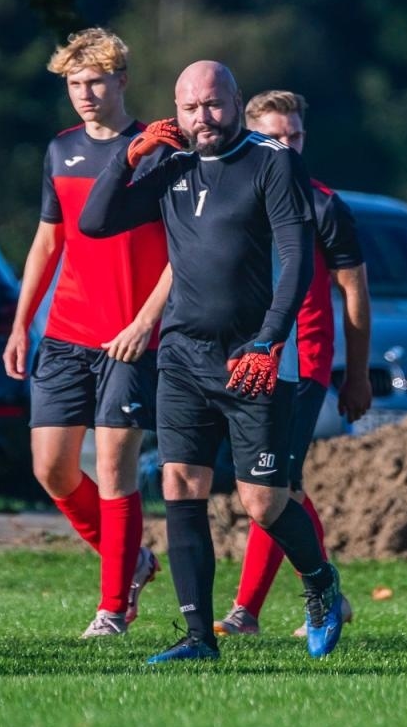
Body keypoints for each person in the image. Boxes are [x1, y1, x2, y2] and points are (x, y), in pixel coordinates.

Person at [79, 61, 345, 663]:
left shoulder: (273, 161)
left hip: (252, 356)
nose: (203, 118)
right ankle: (199, 638)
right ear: (176, 110)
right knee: (180, 485)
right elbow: (95, 222)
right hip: (181, 355)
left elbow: (297, 259)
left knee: (262, 502)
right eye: (190, 107)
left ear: (236, 101)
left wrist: (270, 340)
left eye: (214, 105)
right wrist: (128, 155)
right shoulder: (171, 165)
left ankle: (321, 581)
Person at [2, 28, 169, 638]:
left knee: (119, 466)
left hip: (129, 335)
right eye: (74, 84)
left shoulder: (158, 150)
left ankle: (112, 607)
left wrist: (146, 321)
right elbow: (49, 240)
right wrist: (23, 322)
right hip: (67, 330)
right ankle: (134, 562)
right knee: (51, 468)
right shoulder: (60, 149)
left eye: (95, 81)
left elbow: (185, 250)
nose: (85, 94)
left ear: (121, 81)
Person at [215, 90, 371, 638]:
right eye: (275, 137)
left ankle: (247, 611)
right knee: (282, 489)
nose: (287, 146)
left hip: (300, 368)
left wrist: (355, 374)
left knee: (275, 487)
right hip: (240, 361)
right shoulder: (230, 193)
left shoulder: (324, 204)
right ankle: (328, 597)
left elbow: (354, 294)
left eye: (296, 137)